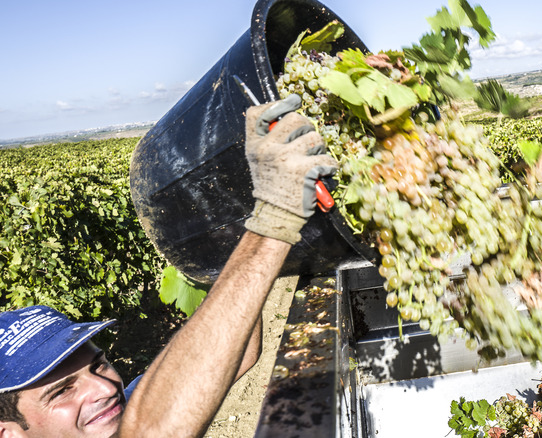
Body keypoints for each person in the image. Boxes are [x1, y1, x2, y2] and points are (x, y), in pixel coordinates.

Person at [0, 94, 337, 438]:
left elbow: (238, 352)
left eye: (99, 365)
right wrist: (275, 216)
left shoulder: (128, 405)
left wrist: (234, 210)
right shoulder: (138, 421)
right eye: (61, 391)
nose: (104, 389)